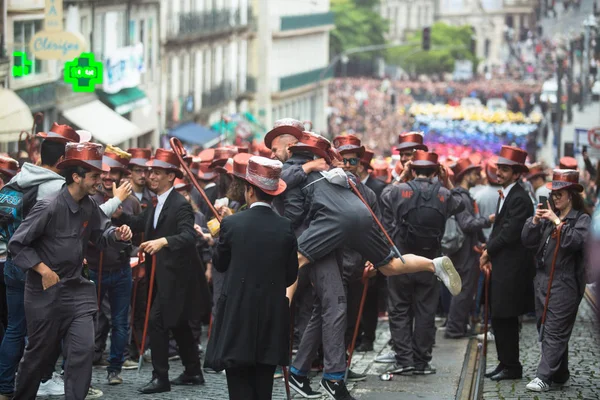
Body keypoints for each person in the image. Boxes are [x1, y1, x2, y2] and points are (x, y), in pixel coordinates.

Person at [285, 134, 462, 399]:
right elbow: (376, 213)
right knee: (390, 265)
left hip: (330, 229)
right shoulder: (347, 179)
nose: (349, 161)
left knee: (304, 274)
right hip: (358, 224)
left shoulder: (300, 171)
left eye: (352, 158)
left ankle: (328, 375)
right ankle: (432, 266)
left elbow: (290, 206)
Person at [0, 125, 127, 400]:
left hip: (77, 291)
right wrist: (43, 269)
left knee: (82, 352)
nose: (99, 182)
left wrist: (118, 234)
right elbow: (16, 245)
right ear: (76, 177)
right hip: (44, 295)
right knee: (37, 358)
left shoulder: (90, 205)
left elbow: (100, 236)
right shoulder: (48, 205)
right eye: (95, 176)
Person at [204, 156, 298, 400]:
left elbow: (220, 263)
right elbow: (290, 276)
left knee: (238, 384)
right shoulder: (286, 226)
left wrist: (220, 238)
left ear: (249, 191)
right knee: (263, 385)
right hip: (270, 316)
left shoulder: (232, 224)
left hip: (238, 313)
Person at [119, 149, 210, 394]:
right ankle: (193, 371)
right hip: (162, 277)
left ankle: (161, 378)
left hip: (179, 279)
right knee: (178, 324)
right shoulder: (156, 203)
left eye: (157, 173)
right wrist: (117, 213)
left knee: (157, 323)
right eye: (150, 172)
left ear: (171, 177)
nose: (151, 177)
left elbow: (188, 235)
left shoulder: (180, 204)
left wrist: (163, 242)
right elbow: (139, 223)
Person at [377, 151, 463, 374]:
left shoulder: (398, 190)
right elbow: (461, 203)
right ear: (435, 171)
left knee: (399, 310)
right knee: (426, 311)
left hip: (402, 260)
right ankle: (422, 362)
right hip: (430, 261)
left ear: (413, 169)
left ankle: (404, 360)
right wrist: (446, 181)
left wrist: (401, 175)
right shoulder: (444, 193)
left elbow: (383, 195)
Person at [522, 169, 590, 392]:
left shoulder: (581, 219)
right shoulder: (548, 217)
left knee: (554, 329)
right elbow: (528, 242)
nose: (555, 198)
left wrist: (558, 222)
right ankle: (561, 374)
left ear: (571, 195)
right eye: (553, 193)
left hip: (565, 281)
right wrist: (534, 220)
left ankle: (544, 377)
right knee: (545, 326)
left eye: (560, 194)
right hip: (542, 279)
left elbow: (574, 242)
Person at [87, 145, 141, 384]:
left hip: (120, 270)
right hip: (93, 269)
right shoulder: (89, 197)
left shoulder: (132, 202)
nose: (108, 178)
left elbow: (140, 235)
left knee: (120, 321)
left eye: (113, 173)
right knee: (87, 320)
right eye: (104, 173)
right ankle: (83, 368)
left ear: (121, 176)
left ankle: (114, 369)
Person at [480, 146, 535, 382]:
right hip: (502, 266)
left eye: (504, 169)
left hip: (512, 270)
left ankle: (512, 366)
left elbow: (510, 232)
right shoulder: (507, 194)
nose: (499, 173)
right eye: (498, 168)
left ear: (516, 174)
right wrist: (489, 252)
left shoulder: (520, 198)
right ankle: (504, 363)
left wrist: (488, 250)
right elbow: (499, 229)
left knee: (507, 317)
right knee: (499, 316)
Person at [445, 158, 494, 339]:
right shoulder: (462, 197)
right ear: (466, 176)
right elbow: (466, 223)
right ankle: (455, 329)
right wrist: (487, 220)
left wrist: (482, 239)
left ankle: (458, 326)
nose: (479, 176)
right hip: (464, 251)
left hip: (465, 249)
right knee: (463, 290)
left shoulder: (461, 195)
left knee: (463, 290)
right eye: (475, 173)